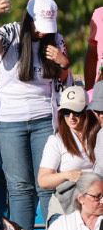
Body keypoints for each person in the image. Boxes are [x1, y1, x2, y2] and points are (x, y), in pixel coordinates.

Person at [0, 0, 68, 230]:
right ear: (29, 20)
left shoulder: (57, 39)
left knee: (47, 184)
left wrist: (64, 64)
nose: (43, 34)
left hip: (45, 119)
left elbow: (65, 79)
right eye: (39, 28)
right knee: (19, 186)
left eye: (47, 29)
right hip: (10, 121)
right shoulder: (11, 34)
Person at [36, 85, 100, 214]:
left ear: (86, 111)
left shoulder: (99, 135)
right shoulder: (56, 140)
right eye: (66, 112)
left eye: (76, 112)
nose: (71, 117)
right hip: (68, 202)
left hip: (97, 199)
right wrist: (68, 175)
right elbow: (43, 180)